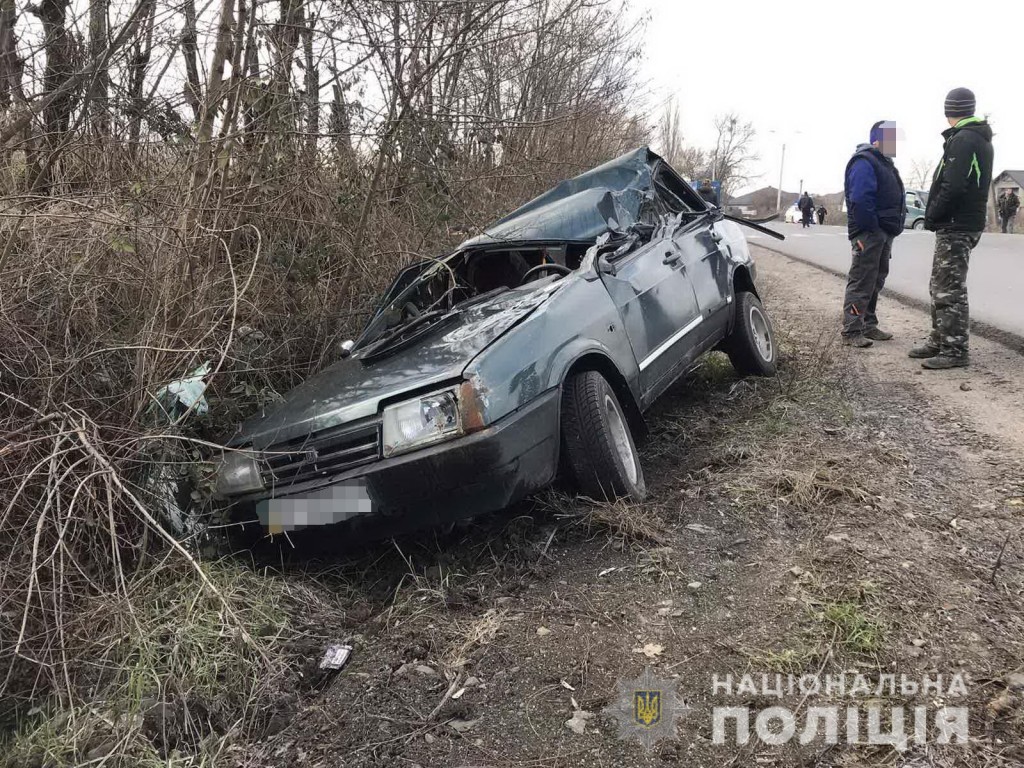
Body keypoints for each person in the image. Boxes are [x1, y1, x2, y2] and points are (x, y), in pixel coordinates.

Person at [909, 87, 993, 369]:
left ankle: (955, 349)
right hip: (960, 223)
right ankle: (939, 340)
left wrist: (932, 213)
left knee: (949, 288)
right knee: (939, 285)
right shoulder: (970, 137)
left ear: (949, 112)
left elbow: (954, 186)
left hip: (957, 224)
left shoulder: (965, 139)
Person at [841, 120, 906, 348]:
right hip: (869, 233)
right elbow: (860, 199)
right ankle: (852, 330)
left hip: (883, 232)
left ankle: (868, 324)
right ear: (878, 140)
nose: (896, 144)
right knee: (862, 280)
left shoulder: (884, 163)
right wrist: (872, 227)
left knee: (875, 280)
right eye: (892, 139)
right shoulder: (864, 161)